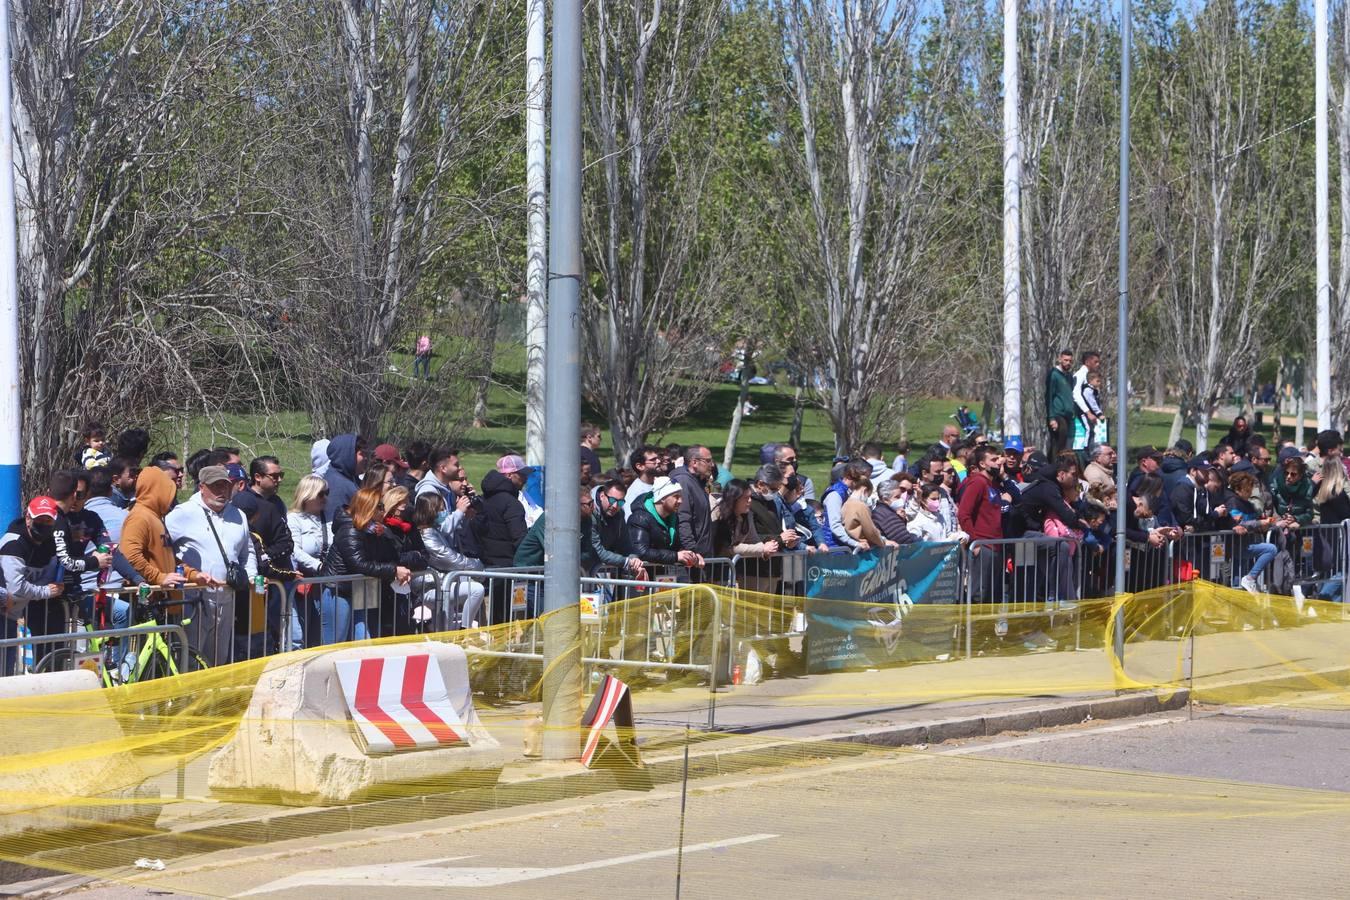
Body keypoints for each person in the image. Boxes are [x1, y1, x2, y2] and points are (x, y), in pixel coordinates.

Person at [165, 465, 257, 665]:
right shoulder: (183, 513)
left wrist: (250, 576)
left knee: (218, 660)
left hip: (227, 597)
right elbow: (162, 547)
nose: (222, 491)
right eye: (216, 486)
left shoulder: (238, 515)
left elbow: (247, 551)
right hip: (193, 600)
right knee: (189, 660)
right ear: (202, 487)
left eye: (225, 486)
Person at [319, 486, 420, 641]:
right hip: (339, 590)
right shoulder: (349, 530)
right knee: (335, 641)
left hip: (359, 590)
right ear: (369, 508)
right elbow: (359, 564)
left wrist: (389, 538)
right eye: (379, 506)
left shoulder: (373, 530)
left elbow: (389, 555)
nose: (383, 510)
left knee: (364, 639)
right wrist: (394, 571)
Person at [413, 491, 485, 629]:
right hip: (430, 588)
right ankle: (465, 629)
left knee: (444, 628)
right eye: (440, 510)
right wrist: (477, 566)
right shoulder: (426, 536)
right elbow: (449, 559)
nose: (444, 513)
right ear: (431, 511)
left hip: (441, 583)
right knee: (476, 589)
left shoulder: (434, 531)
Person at [0, 497, 69, 637]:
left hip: (11, 615)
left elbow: (47, 578)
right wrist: (45, 591)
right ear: (28, 518)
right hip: (4, 611)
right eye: (38, 519)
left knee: (9, 657)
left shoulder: (50, 545)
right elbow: (15, 588)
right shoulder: (13, 544)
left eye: (48, 520)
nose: (43, 524)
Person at [631, 477, 705, 569]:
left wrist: (690, 554)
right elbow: (641, 552)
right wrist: (676, 556)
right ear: (662, 498)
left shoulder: (673, 517)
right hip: (640, 577)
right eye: (676, 496)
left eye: (681, 496)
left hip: (661, 576)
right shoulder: (640, 518)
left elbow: (676, 547)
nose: (680, 501)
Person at [1225, 471, 1280, 595]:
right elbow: (1239, 523)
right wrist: (1260, 523)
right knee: (1270, 549)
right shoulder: (1233, 502)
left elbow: (1254, 520)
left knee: (1238, 580)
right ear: (1238, 489)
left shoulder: (1248, 504)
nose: (1250, 493)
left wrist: (1264, 523)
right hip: (1237, 545)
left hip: (1245, 543)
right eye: (1247, 490)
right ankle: (1250, 578)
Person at [591, 480, 647, 579]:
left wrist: (634, 560)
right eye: (612, 500)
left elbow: (626, 545)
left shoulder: (619, 514)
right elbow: (597, 551)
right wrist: (627, 562)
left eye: (620, 502)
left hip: (603, 571)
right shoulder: (590, 514)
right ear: (602, 496)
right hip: (583, 569)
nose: (615, 506)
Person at [711, 479, 778, 559]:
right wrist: (762, 548)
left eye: (750, 497)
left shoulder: (748, 515)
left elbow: (753, 540)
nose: (750, 501)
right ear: (734, 499)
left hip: (731, 565)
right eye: (745, 498)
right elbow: (728, 548)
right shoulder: (717, 515)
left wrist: (769, 547)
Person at [670, 445, 715, 564]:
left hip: (701, 557)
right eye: (708, 461)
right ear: (694, 462)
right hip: (690, 561)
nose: (712, 465)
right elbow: (683, 519)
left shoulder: (698, 482)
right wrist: (692, 551)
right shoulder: (683, 482)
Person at [822, 460, 872, 549]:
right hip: (833, 549)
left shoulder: (848, 493)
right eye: (864, 478)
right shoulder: (835, 494)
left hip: (844, 547)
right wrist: (855, 543)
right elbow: (835, 526)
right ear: (850, 476)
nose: (866, 482)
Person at [323, 433, 367, 519]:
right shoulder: (338, 486)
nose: (365, 458)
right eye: (362, 454)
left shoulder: (349, 477)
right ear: (348, 454)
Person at [1044, 350, 1076, 458]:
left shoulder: (1070, 377)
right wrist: (1051, 418)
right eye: (1065, 360)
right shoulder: (1054, 374)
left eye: (1070, 361)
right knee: (1058, 444)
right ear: (1060, 359)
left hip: (1069, 415)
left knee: (1068, 445)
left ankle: (1065, 466)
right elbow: (1049, 396)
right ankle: (1055, 467)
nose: (1068, 363)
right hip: (1058, 415)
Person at [1270, 455, 1315, 528]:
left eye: (1293, 474)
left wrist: (1296, 519)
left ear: (1300, 476)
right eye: (1286, 473)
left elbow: (1309, 514)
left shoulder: (1307, 487)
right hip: (1279, 528)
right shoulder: (1276, 485)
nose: (1288, 476)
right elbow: (1271, 508)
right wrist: (1279, 520)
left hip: (1299, 529)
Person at [623, 445, 664, 519]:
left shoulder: (661, 484)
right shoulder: (635, 493)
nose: (658, 461)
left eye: (658, 458)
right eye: (653, 460)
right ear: (640, 466)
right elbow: (630, 521)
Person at [874, 479, 917, 545]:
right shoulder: (887, 515)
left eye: (900, 496)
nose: (900, 500)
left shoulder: (882, 511)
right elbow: (904, 540)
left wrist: (901, 519)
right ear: (885, 499)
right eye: (897, 497)